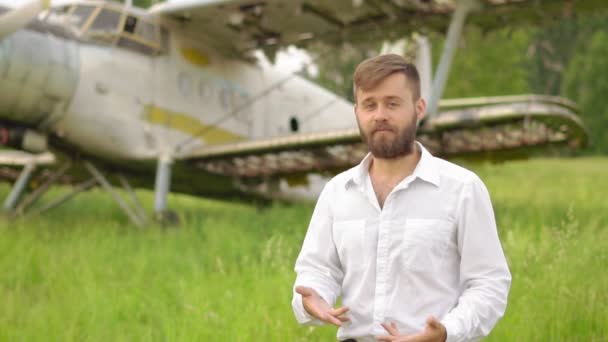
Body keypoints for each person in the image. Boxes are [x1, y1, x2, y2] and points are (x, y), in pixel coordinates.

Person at [291, 54, 511, 342]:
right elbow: (318, 270)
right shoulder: (336, 192)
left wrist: (446, 331)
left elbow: (489, 284)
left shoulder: (463, 189)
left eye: (392, 103)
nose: (380, 114)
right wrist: (314, 297)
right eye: (370, 105)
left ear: (419, 108)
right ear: (357, 112)